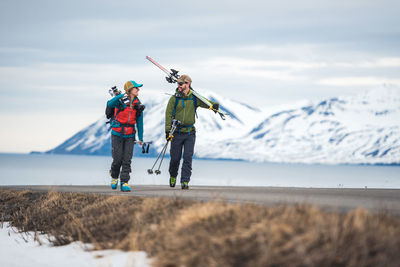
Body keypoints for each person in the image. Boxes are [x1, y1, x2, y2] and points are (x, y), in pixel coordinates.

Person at [165, 75, 219, 189]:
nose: (178, 86)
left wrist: (213, 105)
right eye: (178, 84)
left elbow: (206, 102)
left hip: (190, 133)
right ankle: (173, 176)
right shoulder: (174, 99)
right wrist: (167, 131)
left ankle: (185, 181)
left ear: (187, 84)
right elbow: (168, 115)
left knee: (188, 158)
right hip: (176, 132)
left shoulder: (194, 98)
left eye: (181, 84)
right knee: (175, 159)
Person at [107, 80, 144, 192]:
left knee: (127, 160)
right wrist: (121, 95)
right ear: (129, 90)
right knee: (117, 159)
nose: (138, 89)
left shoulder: (138, 104)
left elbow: (140, 122)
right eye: (136, 88)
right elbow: (109, 104)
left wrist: (140, 137)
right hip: (117, 134)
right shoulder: (119, 101)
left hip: (130, 135)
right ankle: (114, 176)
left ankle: (124, 182)